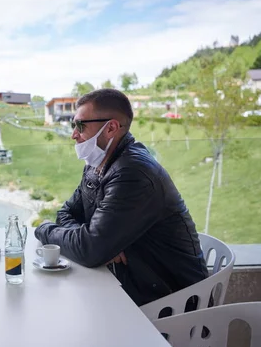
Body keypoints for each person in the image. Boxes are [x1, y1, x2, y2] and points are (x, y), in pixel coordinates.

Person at [34, 89, 208, 307]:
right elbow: (66, 214)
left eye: (80, 125)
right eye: (73, 125)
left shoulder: (133, 174)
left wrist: (44, 229)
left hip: (172, 303)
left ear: (111, 128)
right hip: (133, 284)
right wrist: (98, 242)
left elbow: (90, 250)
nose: (74, 134)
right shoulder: (96, 166)